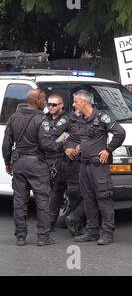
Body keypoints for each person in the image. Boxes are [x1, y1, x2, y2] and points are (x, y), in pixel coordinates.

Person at [2, 88, 62, 246]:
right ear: (38, 101)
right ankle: (43, 237)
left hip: (19, 163)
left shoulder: (13, 117)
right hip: (37, 164)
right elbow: (46, 144)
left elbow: (6, 144)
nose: (46, 103)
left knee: (19, 200)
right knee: (42, 199)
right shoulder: (42, 119)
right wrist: (60, 143)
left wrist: (8, 163)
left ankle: (20, 236)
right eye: (44, 100)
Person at [72, 90, 125, 245]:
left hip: (98, 166)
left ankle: (107, 233)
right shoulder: (80, 119)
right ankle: (92, 231)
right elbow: (82, 138)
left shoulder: (102, 117)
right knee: (88, 199)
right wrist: (79, 147)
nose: (74, 104)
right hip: (84, 166)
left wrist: (108, 150)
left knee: (104, 198)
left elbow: (120, 133)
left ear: (85, 102)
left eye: (76, 101)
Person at [43, 94, 70, 231]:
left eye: (54, 105)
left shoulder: (67, 119)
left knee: (56, 192)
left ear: (61, 105)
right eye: (49, 104)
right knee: (43, 192)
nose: (50, 107)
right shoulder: (43, 118)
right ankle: (45, 221)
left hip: (59, 160)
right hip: (43, 159)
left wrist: (51, 142)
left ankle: (50, 223)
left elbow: (57, 137)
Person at [63, 109, 86, 236]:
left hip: (82, 162)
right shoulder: (68, 121)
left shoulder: (90, 119)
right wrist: (66, 149)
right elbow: (58, 140)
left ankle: (76, 223)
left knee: (80, 194)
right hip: (73, 164)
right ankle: (75, 223)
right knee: (76, 194)